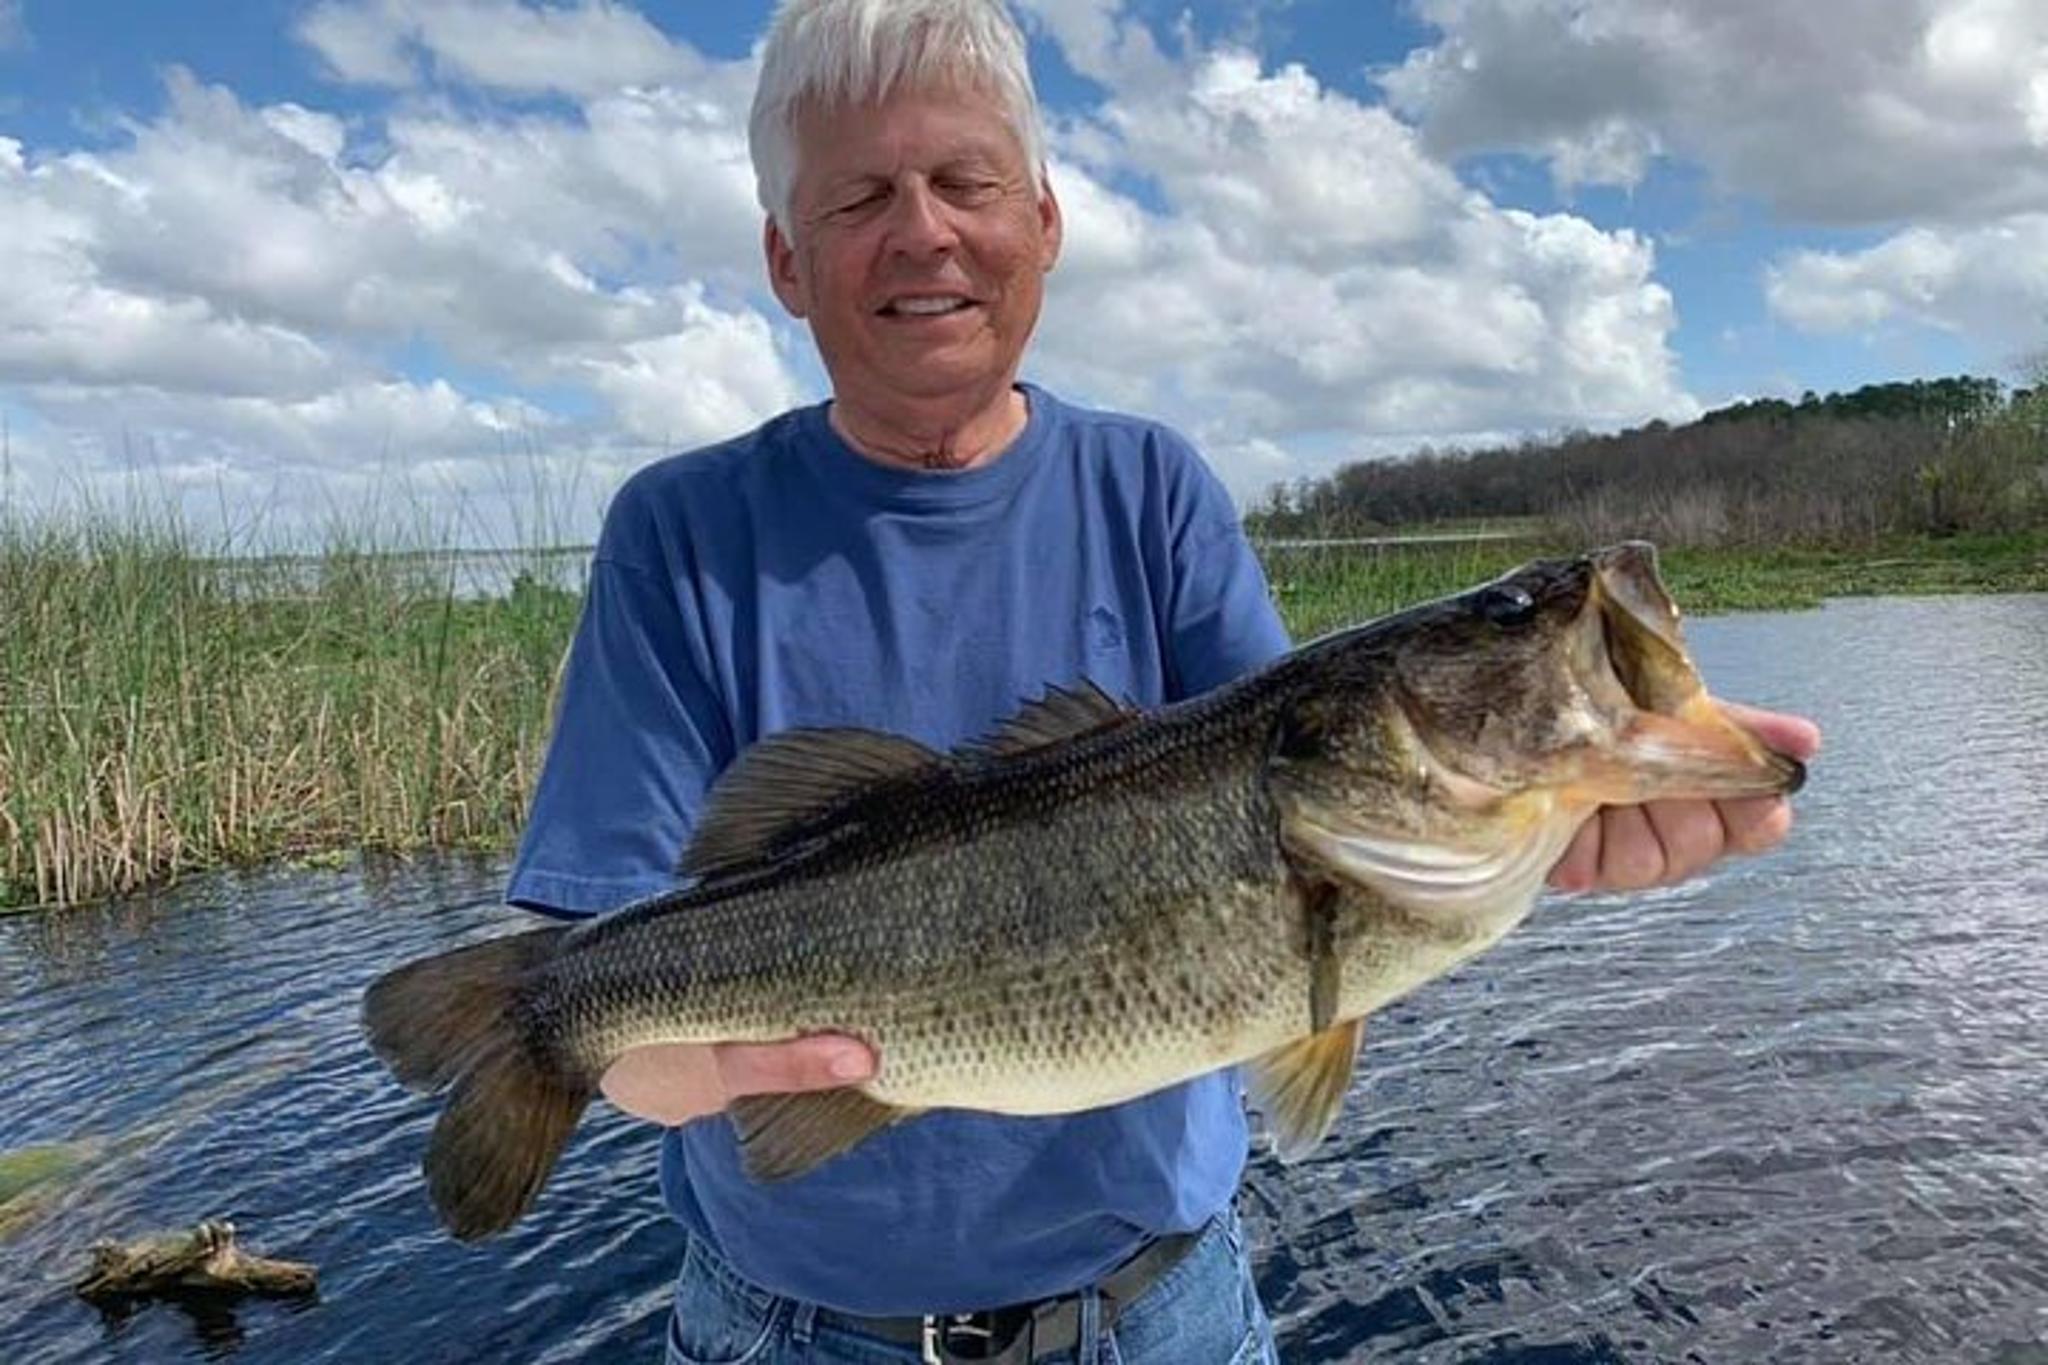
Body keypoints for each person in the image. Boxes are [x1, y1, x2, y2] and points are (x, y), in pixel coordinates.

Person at [507, 1, 1823, 1361]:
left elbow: (1307, 848)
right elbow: (627, 1046)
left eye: (967, 182)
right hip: (786, 1329)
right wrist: (677, 1050)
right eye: (859, 197)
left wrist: (1549, 835)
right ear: (787, 259)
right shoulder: (678, 535)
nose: (925, 231)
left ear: (1046, 223)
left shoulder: (1152, 490)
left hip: (1159, 1315)